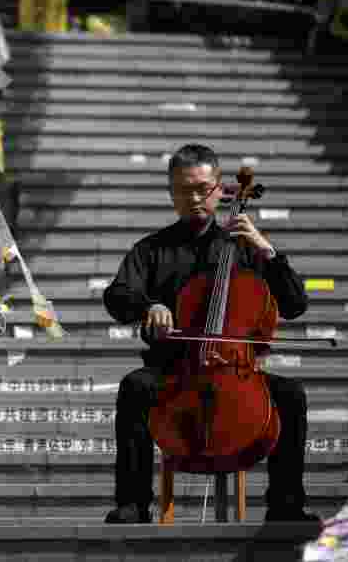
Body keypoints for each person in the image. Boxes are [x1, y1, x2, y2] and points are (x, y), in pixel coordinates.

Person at [102, 144, 320, 524]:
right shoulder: (151, 250)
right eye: (184, 189)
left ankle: (286, 505)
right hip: (173, 375)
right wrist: (147, 307)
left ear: (220, 189)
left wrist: (268, 250)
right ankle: (133, 503)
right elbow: (117, 295)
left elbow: (295, 303)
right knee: (134, 386)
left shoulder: (247, 248)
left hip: (237, 374)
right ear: (171, 193)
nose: (195, 198)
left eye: (203, 188)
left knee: (291, 395)